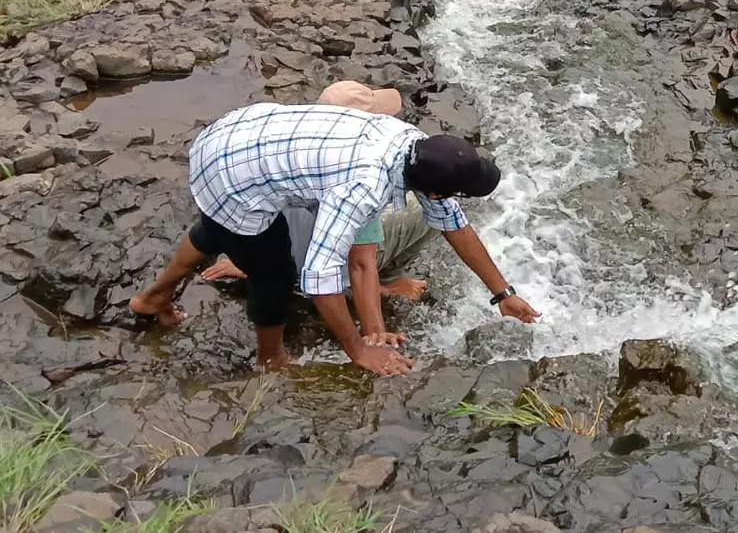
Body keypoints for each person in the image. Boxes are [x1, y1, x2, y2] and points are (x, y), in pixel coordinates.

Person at [129, 101, 541, 375]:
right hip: (232, 169)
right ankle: (270, 360)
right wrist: (360, 350)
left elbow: (453, 222)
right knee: (272, 271)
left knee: (219, 226)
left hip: (236, 134)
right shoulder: (363, 187)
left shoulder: (413, 145)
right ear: (432, 187)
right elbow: (320, 277)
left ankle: (153, 299)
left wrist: (503, 294)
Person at [200, 81, 436, 347]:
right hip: (324, 272)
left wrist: (243, 259)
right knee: (421, 203)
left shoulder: (288, 145)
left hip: (279, 254)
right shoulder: (359, 172)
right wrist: (374, 334)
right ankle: (389, 282)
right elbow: (360, 262)